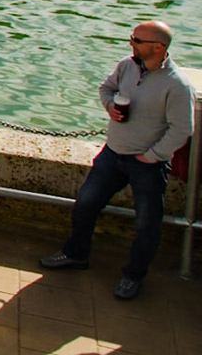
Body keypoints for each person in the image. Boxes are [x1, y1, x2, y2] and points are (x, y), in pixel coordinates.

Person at [40, 21, 193, 300]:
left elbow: (182, 129)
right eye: (132, 38)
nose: (131, 43)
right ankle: (76, 254)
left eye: (137, 40)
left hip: (148, 164)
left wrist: (151, 156)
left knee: (147, 224)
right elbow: (106, 88)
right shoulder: (126, 65)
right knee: (85, 204)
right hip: (112, 155)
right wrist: (110, 106)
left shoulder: (177, 85)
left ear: (158, 47)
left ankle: (133, 276)